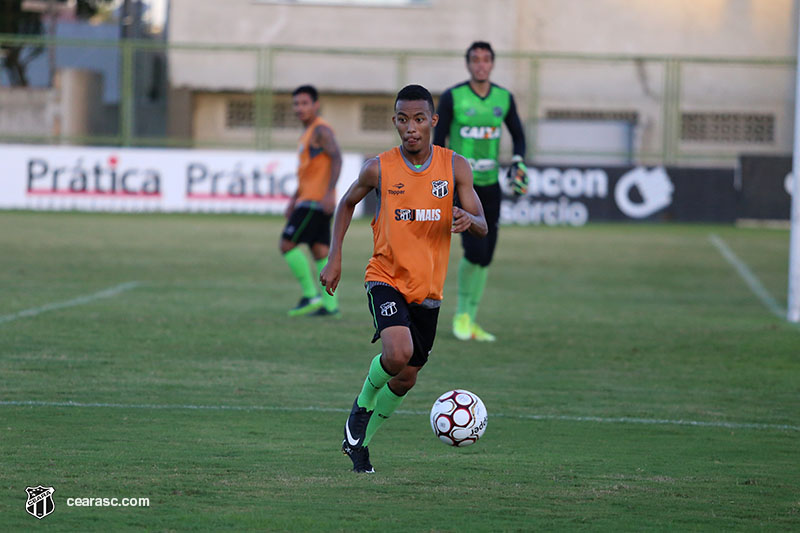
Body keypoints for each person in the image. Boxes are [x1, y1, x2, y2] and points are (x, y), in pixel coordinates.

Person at [320, 84, 488, 473]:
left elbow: (481, 221)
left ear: (433, 120)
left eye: (418, 119)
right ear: (394, 122)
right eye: (402, 119)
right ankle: (361, 408)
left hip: (428, 291)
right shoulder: (379, 168)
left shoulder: (455, 166)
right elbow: (347, 203)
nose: (410, 127)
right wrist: (335, 256)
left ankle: (358, 445)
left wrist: (470, 220)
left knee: (407, 377)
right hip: (385, 276)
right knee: (396, 353)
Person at [434, 41, 528, 342]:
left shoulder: (503, 97)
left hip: (490, 186)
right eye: (475, 59)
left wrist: (518, 162)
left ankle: (471, 320)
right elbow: (438, 140)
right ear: (468, 64)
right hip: (462, 187)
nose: (481, 64)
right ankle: (461, 315)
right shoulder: (453, 97)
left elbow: (518, 135)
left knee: (486, 256)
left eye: (486, 59)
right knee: (473, 251)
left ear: (492, 64)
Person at [280, 85, 342, 317]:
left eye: (305, 103)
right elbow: (308, 172)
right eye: (296, 104)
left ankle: (310, 295)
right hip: (307, 199)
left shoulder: (321, 131)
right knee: (319, 251)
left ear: (316, 105)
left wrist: (329, 192)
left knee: (287, 244)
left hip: (316, 201)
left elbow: (337, 158)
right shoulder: (307, 134)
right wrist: (293, 199)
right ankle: (330, 306)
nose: (300, 108)